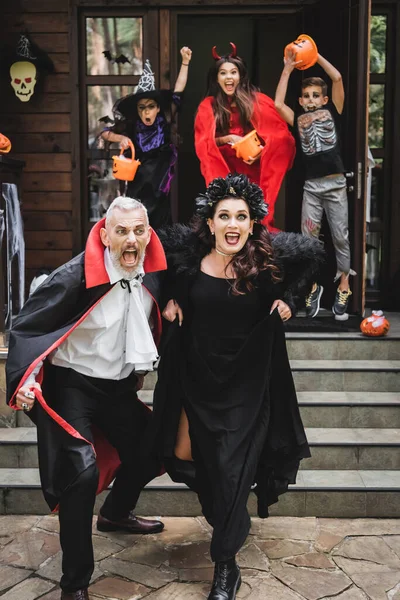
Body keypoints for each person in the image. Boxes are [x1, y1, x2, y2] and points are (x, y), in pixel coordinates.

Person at [151, 174, 324, 600]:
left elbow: (316, 255)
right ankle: (227, 516)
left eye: (241, 217)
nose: (233, 223)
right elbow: (151, 267)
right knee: (185, 458)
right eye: (224, 215)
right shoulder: (186, 263)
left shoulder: (266, 263)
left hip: (247, 382)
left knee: (230, 469)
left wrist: (291, 300)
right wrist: (169, 299)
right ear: (209, 222)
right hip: (196, 378)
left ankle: (225, 566)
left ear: (252, 224)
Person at [6, 197, 168, 600]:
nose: (131, 240)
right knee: (80, 473)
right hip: (71, 384)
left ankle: (115, 514)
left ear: (149, 234)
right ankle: (74, 584)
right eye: (121, 231)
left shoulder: (155, 273)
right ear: (104, 233)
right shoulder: (72, 276)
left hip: (116, 387)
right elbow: (26, 327)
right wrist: (25, 380)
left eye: (139, 231)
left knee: (155, 447)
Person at [275, 50, 355, 320]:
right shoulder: (296, 116)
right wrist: (288, 69)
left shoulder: (335, 109)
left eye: (315, 96)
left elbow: (337, 77)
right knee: (308, 240)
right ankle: (312, 286)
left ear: (325, 99)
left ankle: (344, 284)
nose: (310, 100)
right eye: (306, 96)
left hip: (335, 185)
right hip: (311, 187)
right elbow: (277, 104)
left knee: (340, 236)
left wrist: (316, 54)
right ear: (301, 99)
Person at [194, 43, 295, 232]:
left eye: (233, 72)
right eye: (223, 73)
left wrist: (263, 151)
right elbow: (204, 143)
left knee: (255, 219)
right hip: (224, 168)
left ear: (240, 76)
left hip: (252, 167)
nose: (229, 77)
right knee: (229, 215)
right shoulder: (209, 106)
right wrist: (226, 139)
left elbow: (278, 135)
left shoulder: (256, 100)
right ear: (217, 78)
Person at [100, 47, 192, 229]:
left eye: (150, 106)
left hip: (160, 189)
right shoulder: (132, 125)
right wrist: (120, 138)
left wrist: (185, 63)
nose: (146, 111)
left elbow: (178, 91)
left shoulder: (164, 121)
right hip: (138, 187)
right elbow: (104, 131)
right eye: (142, 107)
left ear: (158, 108)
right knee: (137, 225)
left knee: (161, 230)